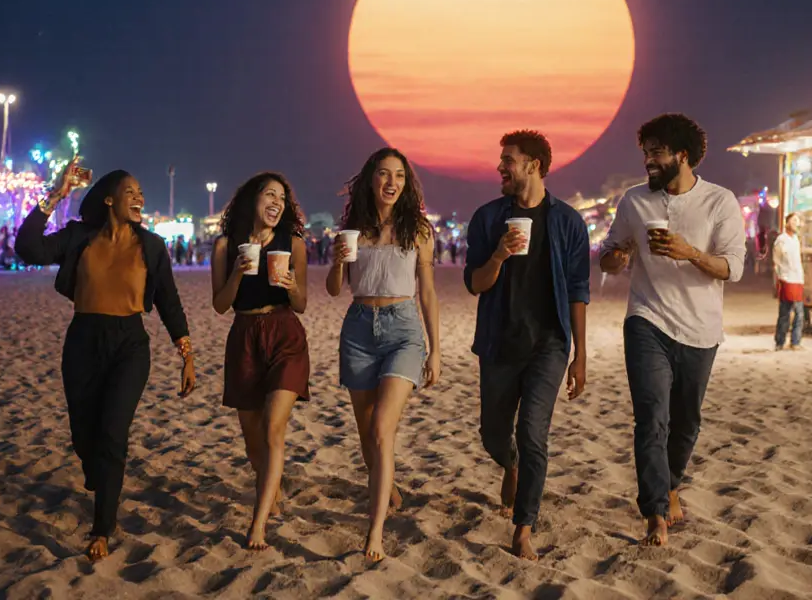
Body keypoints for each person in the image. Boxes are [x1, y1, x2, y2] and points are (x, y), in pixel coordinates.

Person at [14, 160, 198, 563]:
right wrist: (57, 194)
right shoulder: (79, 236)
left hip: (130, 346)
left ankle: (102, 528)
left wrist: (186, 355)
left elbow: (168, 302)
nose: (139, 197)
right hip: (83, 341)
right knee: (84, 437)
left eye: (141, 192)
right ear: (110, 199)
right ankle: (98, 471)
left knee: (113, 433)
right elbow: (27, 248)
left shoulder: (151, 246)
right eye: (130, 191)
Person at [599, 113, 746, 547]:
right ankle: (655, 514)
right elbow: (608, 256)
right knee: (651, 418)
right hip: (647, 319)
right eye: (646, 152)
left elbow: (733, 268)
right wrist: (618, 257)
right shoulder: (634, 201)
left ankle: (672, 483)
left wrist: (689, 252)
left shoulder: (720, 201)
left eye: (657, 152)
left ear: (683, 155)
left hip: (701, 328)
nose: (648, 160)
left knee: (686, 423)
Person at [464, 129, 589, 560]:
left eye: (508, 160)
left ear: (533, 166)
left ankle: (523, 528)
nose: (500, 167)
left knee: (533, 432)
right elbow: (476, 284)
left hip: (548, 345)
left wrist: (580, 355)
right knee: (493, 435)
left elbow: (578, 291)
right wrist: (499, 254)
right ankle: (510, 463)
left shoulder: (568, 221)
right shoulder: (487, 219)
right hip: (499, 342)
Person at [326, 148, 441, 561]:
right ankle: (386, 489)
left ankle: (374, 532)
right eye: (383, 174)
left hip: (403, 332)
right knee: (366, 437)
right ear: (370, 180)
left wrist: (435, 350)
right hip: (358, 329)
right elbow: (335, 289)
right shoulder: (353, 230)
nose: (391, 182)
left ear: (406, 184)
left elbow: (428, 293)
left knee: (380, 429)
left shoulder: (418, 230)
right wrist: (338, 262)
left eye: (399, 175)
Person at [210, 172, 310, 551]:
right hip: (244, 337)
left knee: (272, 427)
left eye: (282, 198)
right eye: (270, 195)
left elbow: (301, 304)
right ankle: (272, 485)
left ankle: (258, 525)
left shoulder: (293, 244)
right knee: (254, 445)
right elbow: (220, 305)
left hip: (285, 335)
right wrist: (237, 272)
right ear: (252, 199)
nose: (277, 202)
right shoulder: (225, 246)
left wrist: (293, 287)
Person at [772, 212, 805, 351]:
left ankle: (795, 342)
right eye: (794, 220)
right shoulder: (781, 240)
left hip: (798, 279)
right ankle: (780, 342)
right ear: (787, 223)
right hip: (786, 279)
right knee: (785, 313)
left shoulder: (796, 240)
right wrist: (780, 278)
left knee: (799, 313)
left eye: (798, 221)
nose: (797, 223)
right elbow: (776, 261)